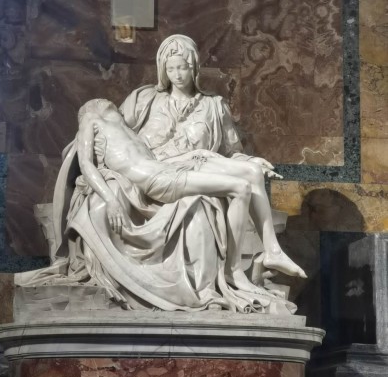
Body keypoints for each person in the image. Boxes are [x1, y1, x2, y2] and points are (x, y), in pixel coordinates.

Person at [77, 98, 305, 294]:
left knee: (252, 172)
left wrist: (201, 154)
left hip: (164, 170)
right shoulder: (92, 119)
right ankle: (233, 271)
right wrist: (110, 199)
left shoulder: (131, 134)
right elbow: (86, 164)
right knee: (240, 188)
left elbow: (156, 161)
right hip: (156, 180)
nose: (115, 106)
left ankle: (273, 251)